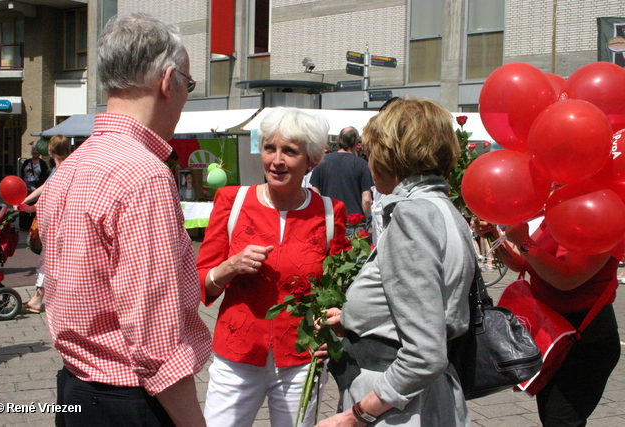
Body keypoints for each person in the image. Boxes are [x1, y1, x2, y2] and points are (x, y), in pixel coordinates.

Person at [36, 13, 211, 427]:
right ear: (168, 81)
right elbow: (156, 337)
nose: (186, 95)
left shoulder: (73, 166)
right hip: (131, 400)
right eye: (189, 83)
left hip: (74, 388)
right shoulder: (144, 174)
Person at [315, 98, 475, 426]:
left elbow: (423, 356)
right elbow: (423, 302)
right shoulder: (443, 209)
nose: (368, 161)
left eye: (371, 152)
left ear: (390, 155)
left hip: (398, 408)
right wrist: (351, 316)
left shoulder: (412, 216)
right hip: (418, 398)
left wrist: (356, 415)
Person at [196, 107, 347, 427]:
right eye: (269, 148)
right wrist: (229, 267)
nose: (276, 160)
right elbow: (201, 282)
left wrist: (333, 328)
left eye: (290, 151)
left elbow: (337, 289)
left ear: (312, 160)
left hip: (301, 359)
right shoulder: (232, 201)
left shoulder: (331, 213)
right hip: (237, 355)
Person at [472, 210, 620, 426]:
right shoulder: (556, 218)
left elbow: (567, 280)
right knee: (552, 418)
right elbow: (522, 263)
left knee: (561, 421)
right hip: (550, 333)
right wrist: (495, 234)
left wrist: (523, 241)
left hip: (585, 339)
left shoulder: (601, 219)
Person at [17, 134, 71, 314]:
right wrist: (28, 201)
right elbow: (46, 189)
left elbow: (52, 195)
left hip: (57, 226)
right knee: (54, 263)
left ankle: (38, 300)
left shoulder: (62, 171)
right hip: (62, 225)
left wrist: (31, 206)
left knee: (47, 262)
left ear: (51, 150)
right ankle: (42, 299)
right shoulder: (64, 169)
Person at [310, 126, 373, 231]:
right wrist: (365, 220)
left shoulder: (323, 162)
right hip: (354, 223)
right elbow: (366, 199)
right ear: (355, 143)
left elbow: (314, 192)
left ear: (338, 140)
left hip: (329, 220)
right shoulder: (362, 164)